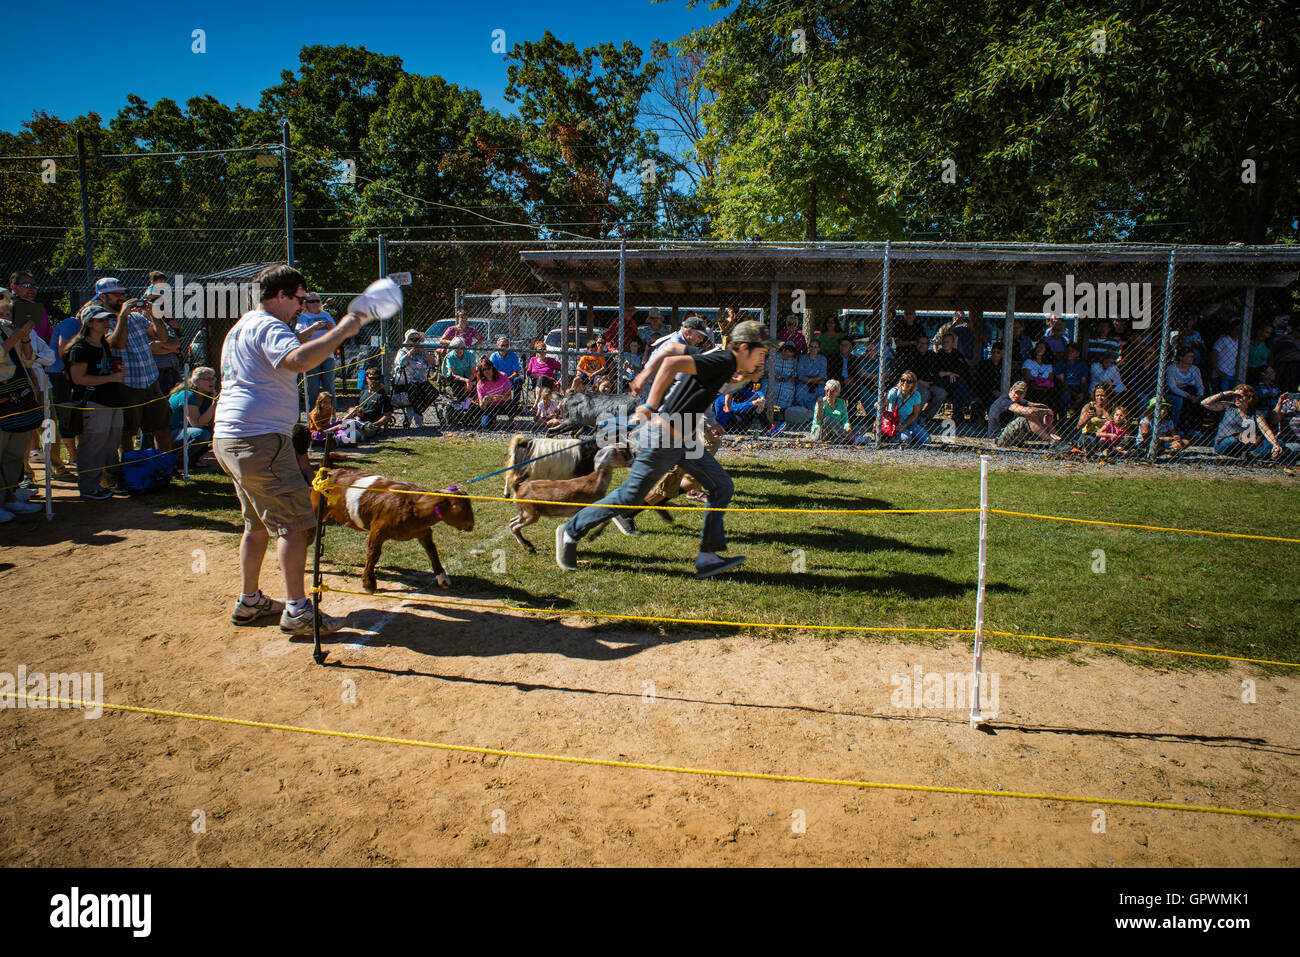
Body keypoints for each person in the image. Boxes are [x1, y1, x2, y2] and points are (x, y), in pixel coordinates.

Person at [212, 264, 366, 635]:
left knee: (256, 524)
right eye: (299, 299)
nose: (302, 306)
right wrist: (343, 329)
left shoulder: (241, 326)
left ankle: (250, 601)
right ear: (281, 295)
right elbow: (298, 361)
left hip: (231, 437)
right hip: (260, 439)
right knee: (295, 525)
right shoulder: (269, 325)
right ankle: (297, 610)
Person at [556, 320, 774, 579]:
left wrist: (644, 375)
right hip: (663, 438)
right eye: (762, 353)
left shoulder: (723, 360)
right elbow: (671, 364)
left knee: (722, 486)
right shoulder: (723, 360)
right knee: (629, 496)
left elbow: (671, 351)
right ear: (745, 347)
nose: (764, 360)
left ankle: (707, 557)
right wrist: (649, 405)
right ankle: (571, 530)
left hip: (685, 439)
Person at [85, 279, 173, 456]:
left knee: (162, 427)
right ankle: (131, 471)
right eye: (117, 295)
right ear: (102, 297)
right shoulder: (101, 321)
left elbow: (163, 337)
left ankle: (165, 467)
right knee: (127, 433)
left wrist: (155, 316)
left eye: (123, 294)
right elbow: (117, 343)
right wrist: (122, 316)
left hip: (150, 380)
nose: (122, 298)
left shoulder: (137, 317)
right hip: (125, 384)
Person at [63, 301, 127, 500]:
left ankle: (108, 482)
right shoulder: (80, 348)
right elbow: (78, 378)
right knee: (93, 446)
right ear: (89, 323)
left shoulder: (103, 344)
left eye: (107, 319)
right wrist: (111, 378)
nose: (106, 323)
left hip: (113, 401)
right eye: (100, 320)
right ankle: (89, 487)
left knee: (111, 445)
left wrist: (116, 373)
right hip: (94, 403)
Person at [0, 297, 47, 517]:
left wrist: (25, 338)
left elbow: (28, 361)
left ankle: (10, 495)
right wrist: (16, 337)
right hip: (2, 401)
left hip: (19, 398)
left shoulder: (8, 330)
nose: (7, 315)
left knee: (14, 453)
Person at [1203, 385, 1281, 461]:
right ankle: (1258, 453)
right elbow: (1205, 403)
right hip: (1225, 443)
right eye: (1235, 396)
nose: (1236, 399)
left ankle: (1251, 454)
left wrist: (1275, 444)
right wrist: (1223, 394)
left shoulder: (1256, 413)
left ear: (1248, 398)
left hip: (1247, 444)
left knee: (1276, 442)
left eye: (1240, 396)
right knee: (1233, 441)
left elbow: (1266, 430)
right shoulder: (1227, 406)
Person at [294, 292, 337, 412]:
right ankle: (313, 416)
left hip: (327, 356)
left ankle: (331, 417)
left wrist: (331, 328)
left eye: (317, 301)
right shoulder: (303, 318)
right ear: (306, 304)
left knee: (329, 387)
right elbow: (299, 337)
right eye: (311, 301)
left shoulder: (327, 315)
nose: (315, 304)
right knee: (312, 388)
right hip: (310, 357)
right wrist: (313, 327)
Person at [168, 366, 217, 470]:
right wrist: (214, 405)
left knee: (216, 433)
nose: (211, 382)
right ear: (197, 382)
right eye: (207, 379)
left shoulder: (207, 396)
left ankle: (192, 459)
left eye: (213, 378)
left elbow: (211, 423)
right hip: (171, 433)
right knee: (202, 434)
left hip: (186, 433)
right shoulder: (188, 395)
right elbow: (196, 424)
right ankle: (178, 462)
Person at [987, 379, 1061, 448]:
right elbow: (1028, 411)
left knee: (1040, 414)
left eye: (1020, 393)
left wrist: (1047, 411)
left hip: (1014, 438)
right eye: (1016, 392)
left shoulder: (1020, 401)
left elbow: (1037, 406)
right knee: (1026, 418)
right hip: (998, 439)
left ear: (1024, 395)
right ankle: (1051, 441)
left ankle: (1056, 439)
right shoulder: (1004, 400)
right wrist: (1045, 411)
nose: (1017, 395)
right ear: (1011, 390)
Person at [393, 329, 436, 428]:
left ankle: (416, 412)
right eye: (412, 339)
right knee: (416, 392)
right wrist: (411, 352)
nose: (415, 342)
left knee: (433, 393)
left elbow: (433, 363)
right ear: (407, 340)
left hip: (421, 380)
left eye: (417, 339)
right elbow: (400, 363)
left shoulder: (422, 353)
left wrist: (425, 352)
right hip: (406, 381)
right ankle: (416, 416)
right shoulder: (403, 351)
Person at [342, 367, 395, 437]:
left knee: (350, 435)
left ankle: (340, 441)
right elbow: (352, 409)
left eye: (376, 379)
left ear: (379, 380)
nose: (374, 381)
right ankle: (331, 439)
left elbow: (387, 416)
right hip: (357, 421)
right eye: (371, 378)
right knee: (340, 426)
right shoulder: (363, 393)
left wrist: (373, 424)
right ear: (367, 379)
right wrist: (354, 412)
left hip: (369, 426)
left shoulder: (382, 396)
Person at [882, 372, 929, 445]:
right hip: (893, 423)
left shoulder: (916, 395)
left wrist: (904, 425)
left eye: (909, 381)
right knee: (906, 439)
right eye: (903, 380)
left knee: (927, 439)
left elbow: (915, 414)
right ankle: (895, 435)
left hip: (907, 422)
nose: (905, 383)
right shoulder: (894, 392)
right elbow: (881, 405)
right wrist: (881, 401)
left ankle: (907, 433)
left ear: (913, 384)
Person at [1164, 348, 1204, 430]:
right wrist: (1188, 396)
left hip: (1192, 392)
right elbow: (1172, 387)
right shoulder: (1171, 369)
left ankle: (1195, 427)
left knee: (1201, 401)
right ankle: (1178, 426)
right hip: (1177, 392)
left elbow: (1200, 385)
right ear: (1181, 358)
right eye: (1190, 356)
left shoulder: (1195, 369)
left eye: (1193, 356)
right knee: (1181, 401)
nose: (1192, 358)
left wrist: (1199, 396)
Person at [473, 356, 512, 429]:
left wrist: (501, 397)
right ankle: (493, 420)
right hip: (490, 407)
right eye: (484, 369)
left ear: (492, 368)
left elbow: (509, 396)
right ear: (481, 372)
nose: (487, 371)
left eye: (488, 368)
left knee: (512, 404)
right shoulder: (480, 384)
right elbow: (482, 406)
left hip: (503, 404)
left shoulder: (502, 376)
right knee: (485, 426)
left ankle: (511, 421)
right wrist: (484, 401)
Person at [1054, 342, 1090, 418]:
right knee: (1065, 394)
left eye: (1072, 351)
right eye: (1067, 351)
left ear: (1077, 354)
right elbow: (1061, 382)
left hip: (1078, 388)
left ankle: (1078, 421)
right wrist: (1074, 394)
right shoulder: (1060, 363)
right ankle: (1063, 420)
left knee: (1087, 396)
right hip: (1065, 388)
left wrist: (1082, 393)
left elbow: (1084, 382)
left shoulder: (1082, 364)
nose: (1069, 353)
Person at [811, 379, 853, 444]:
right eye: (826, 390)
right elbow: (818, 423)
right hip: (820, 433)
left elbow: (845, 420)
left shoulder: (841, 402)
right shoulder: (821, 402)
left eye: (831, 391)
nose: (828, 393)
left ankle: (839, 438)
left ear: (838, 393)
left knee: (861, 428)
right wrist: (820, 408)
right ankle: (847, 437)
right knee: (828, 419)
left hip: (836, 431)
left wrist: (848, 429)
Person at [1075, 385, 1113, 454]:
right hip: (1089, 434)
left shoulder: (1111, 407)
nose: (1099, 398)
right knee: (1090, 441)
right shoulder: (1089, 406)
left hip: (1104, 435)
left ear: (1107, 395)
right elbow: (1079, 426)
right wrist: (1087, 417)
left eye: (1102, 395)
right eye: (1097, 395)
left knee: (1104, 442)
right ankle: (1089, 448)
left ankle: (1103, 450)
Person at [490, 336, 524, 412]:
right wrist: (502, 380)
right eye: (502, 345)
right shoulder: (494, 356)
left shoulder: (513, 355)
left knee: (518, 380)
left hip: (510, 378)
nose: (504, 347)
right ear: (497, 346)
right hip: (498, 379)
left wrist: (507, 379)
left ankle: (515, 404)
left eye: (506, 345)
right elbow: (493, 372)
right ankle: (498, 404)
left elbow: (516, 372)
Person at [1021, 340, 1057, 406]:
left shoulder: (1048, 365)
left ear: (1046, 350)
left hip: (1044, 391)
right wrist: (1042, 382)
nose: (1039, 349)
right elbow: (1028, 379)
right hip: (1030, 390)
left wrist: (1036, 380)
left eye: (1041, 348)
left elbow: (1050, 382)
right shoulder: (1028, 362)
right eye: (1037, 347)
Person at [795, 337, 828, 408]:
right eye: (811, 346)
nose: (813, 349)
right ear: (809, 348)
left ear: (819, 349)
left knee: (822, 390)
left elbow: (822, 375)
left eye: (815, 347)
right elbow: (801, 375)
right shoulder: (803, 358)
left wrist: (810, 380)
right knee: (800, 391)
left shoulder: (822, 359)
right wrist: (816, 381)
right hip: (805, 382)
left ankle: (817, 412)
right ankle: (803, 411)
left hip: (816, 383)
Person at [440, 337, 475, 404]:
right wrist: (466, 381)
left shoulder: (470, 354)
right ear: (453, 348)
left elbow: (473, 372)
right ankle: (461, 404)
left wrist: (468, 381)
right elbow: (453, 374)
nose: (459, 350)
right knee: (459, 386)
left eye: (461, 347)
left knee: (472, 386)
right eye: (456, 347)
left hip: (468, 375)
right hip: (456, 377)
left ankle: (467, 405)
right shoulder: (450, 357)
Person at [1211, 322, 1241, 393]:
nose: (1237, 331)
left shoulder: (1239, 342)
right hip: (1221, 373)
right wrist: (1218, 370)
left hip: (1232, 373)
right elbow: (1214, 355)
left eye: (1239, 329)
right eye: (1235, 329)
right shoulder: (1223, 340)